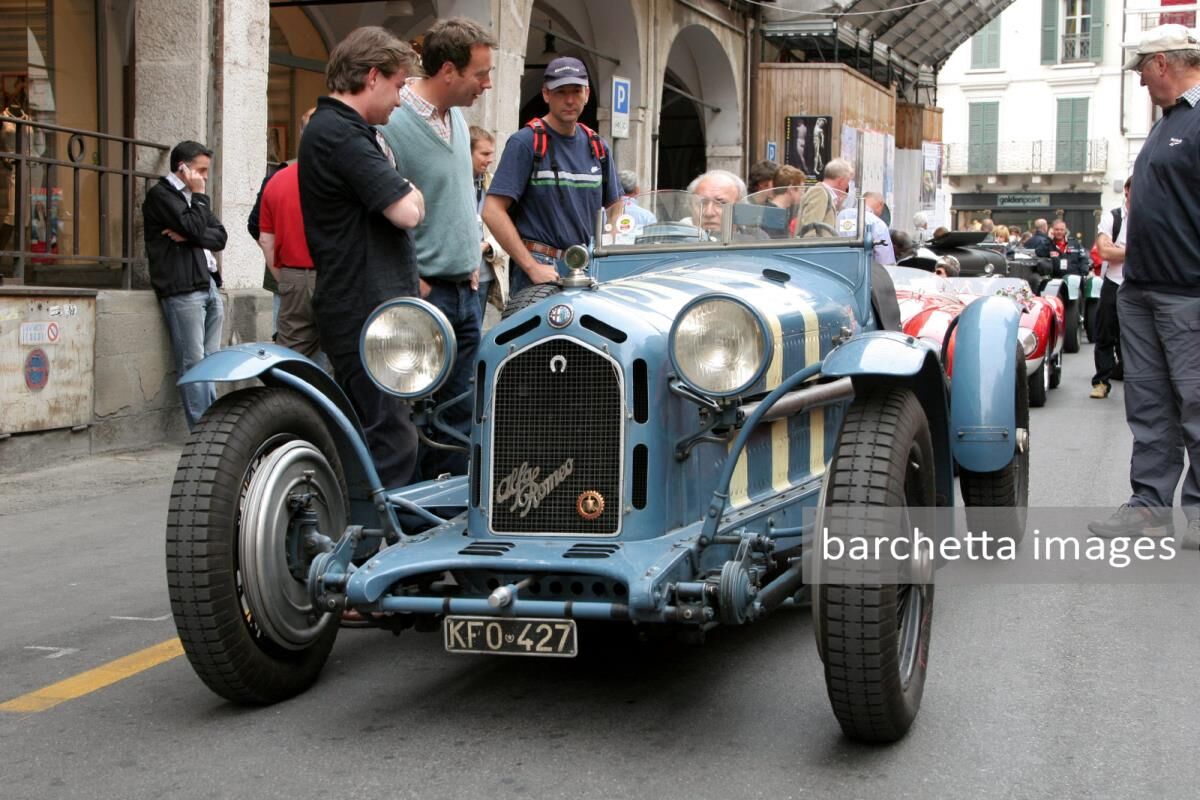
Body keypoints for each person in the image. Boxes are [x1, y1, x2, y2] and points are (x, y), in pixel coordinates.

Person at [298, 26, 426, 489]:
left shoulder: (345, 130)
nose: (399, 99)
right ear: (372, 76)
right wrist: (408, 188)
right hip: (365, 313)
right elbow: (408, 210)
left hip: (372, 312)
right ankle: (377, 552)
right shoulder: (340, 133)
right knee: (389, 442)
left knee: (392, 435)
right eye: (397, 86)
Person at [1089, 24, 1200, 544]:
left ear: (1162, 63)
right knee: (1150, 403)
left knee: (1195, 402)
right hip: (1142, 290)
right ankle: (1150, 505)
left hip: (1187, 291)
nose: (1138, 81)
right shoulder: (1169, 122)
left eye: (1140, 70)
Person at [378, 16, 495, 479]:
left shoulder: (459, 119)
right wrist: (416, 279)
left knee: (460, 413)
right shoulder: (394, 123)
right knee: (417, 415)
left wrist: (470, 258)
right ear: (448, 71)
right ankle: (414, 519)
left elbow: (458, 197)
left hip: (466, 290)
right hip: (427, 296)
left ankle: (451, 513)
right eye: (480, 74)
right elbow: (381, 211)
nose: (486, 84)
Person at [483, 56, 620, 296]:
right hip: (539, 270)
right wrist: (531, 266)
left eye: (576, 91)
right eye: (560, 92)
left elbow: (616, 204)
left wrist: (610, 238)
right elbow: (492, 211)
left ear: (587, 94)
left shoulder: (597, 146)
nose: (569, 100)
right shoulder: (525, 142)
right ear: (546, 94)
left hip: (586, 267)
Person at [142, 140, 228, 432]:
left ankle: (212, 429)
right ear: (182, 168)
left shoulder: (193, 199)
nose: (204, 177)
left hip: (208, 286)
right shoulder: (161, 196)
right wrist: (198, 211)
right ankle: (202, 433)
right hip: (182, 290)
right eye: (201, 171)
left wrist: (192, 234)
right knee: (194, 364)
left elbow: (220, 237)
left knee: (211, 364)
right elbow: (195, 226)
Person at [258, 108, 326, 366]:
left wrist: (284, 276)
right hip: (335, 276)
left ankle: (286, 405)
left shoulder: (276, 180)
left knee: (291, 360)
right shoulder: (344, 175)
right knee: (346, 357)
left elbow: (265, 238)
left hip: (292, 276)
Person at [1089, 177, 1130, 400]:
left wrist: (1120, 251)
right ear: (1126, 190)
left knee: (1136, 337)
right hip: (1113, 283)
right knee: (1105, 333)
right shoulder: (1112, 217)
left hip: (1138, 284)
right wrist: (1137, 250)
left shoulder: (1150, 216)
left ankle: (1133, 380)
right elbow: (1104, 252)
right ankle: (1101, 382)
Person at [470, 126, 508, 319]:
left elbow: (506, 227)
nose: (490, 159)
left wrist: (486, 245)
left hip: (485, 276)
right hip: (459, 275)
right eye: (484, 153)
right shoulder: (454, 183)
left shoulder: (492, 183)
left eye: (491, 154)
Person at [796, 158, 853, 237]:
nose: (847, 186)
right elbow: (809, 230)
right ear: (841, 181)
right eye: (847, 182)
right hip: (817, 249)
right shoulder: (819, 192)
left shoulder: (825, 194)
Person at [836, 191, 895, 264]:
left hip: (836, 268)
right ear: (880, 205)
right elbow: (885, 260)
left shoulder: (841, 215)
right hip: (863, 271)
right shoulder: (878, 224)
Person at [685, 169, 745, 236]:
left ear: (741, 209)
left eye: (721, 203)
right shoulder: (675, 242)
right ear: (690, 207)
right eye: (702, 203)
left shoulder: (755, 242)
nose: (709, 213)